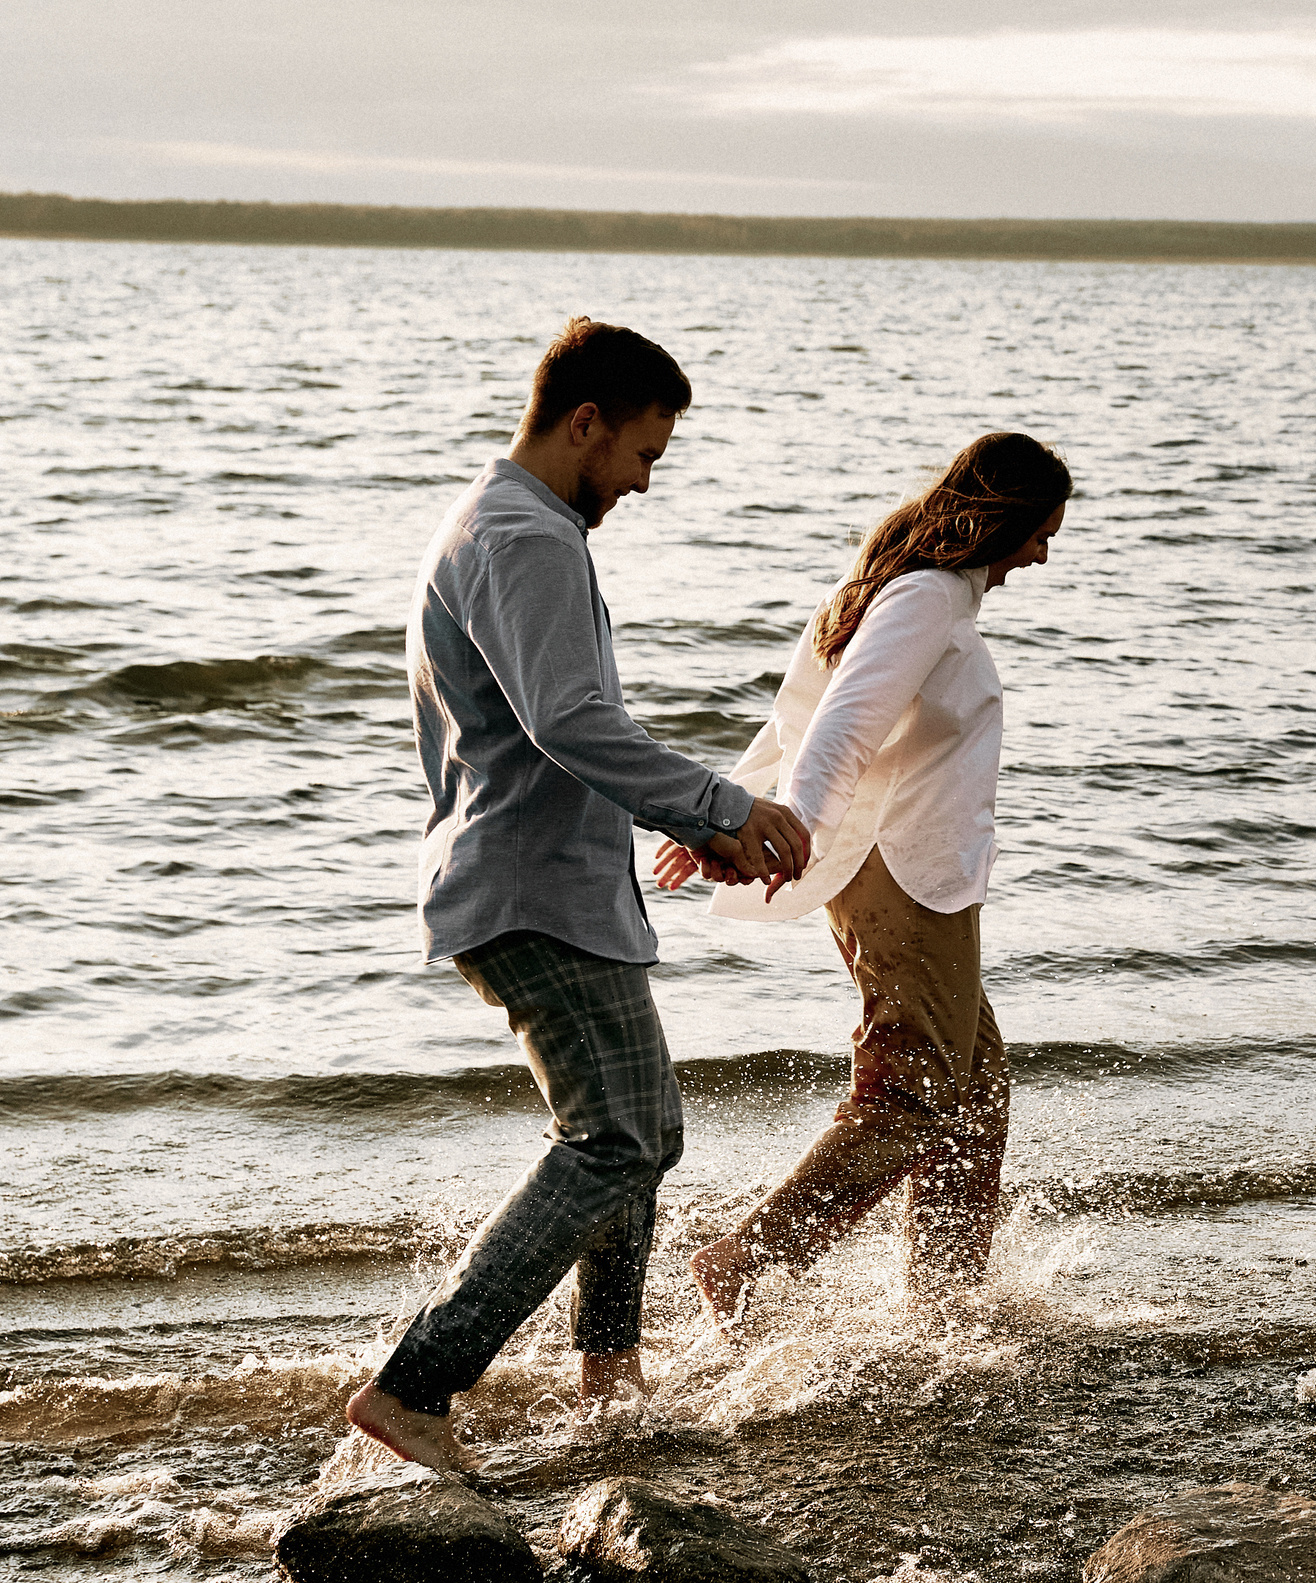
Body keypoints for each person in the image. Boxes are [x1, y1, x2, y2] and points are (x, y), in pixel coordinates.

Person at [346, 317, 812, 1471]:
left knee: (640, 1132)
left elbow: (547, 730)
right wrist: (717, 806)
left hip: (546, 882)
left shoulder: (506, 523)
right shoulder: (525, 534)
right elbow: (568, 721)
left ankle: (609, 1375)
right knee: (613, 1135)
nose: (646, 481)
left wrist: (681, 827)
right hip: (527, 890)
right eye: (645, 452)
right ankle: (415, 1384)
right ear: (587, 421)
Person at [660, 432, 1070, 1328]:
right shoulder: (922, 596)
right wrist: (780, 825)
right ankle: (749, 1259)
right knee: (914, 1093)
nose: (1042, 554)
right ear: (999, 521)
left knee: (976, 1086)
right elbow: (841, 722)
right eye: (1040, 532)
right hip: (898, 869)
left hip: (917, 871)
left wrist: (727, 817)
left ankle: (945, 1297)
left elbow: (794, 716)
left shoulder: (912, 590)